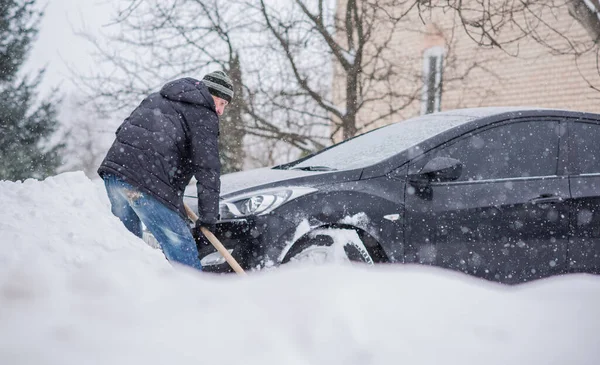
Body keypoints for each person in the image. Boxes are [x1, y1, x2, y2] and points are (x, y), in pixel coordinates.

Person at [97, 71, 233, 271]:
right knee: (181, 248)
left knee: (127, 247)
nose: (220, 110)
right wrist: (209, 217)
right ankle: (197, 298)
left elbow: (124, 131)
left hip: (115, 174)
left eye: (224, 106)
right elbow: (207, 168)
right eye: (220, 102)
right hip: (146, 183)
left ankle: (127, 295)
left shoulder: (158, 97)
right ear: (208, 93)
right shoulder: (204, 113)